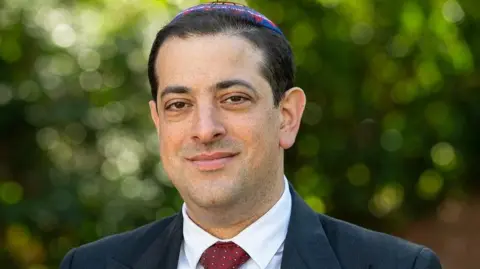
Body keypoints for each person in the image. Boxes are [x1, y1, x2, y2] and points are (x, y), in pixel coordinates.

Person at [60, 2, 442, 269]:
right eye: (179, 104)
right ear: (158, 121)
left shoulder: (399, 266)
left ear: (288, 117)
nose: (205, 129)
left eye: (234, 98)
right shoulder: (89, 265)